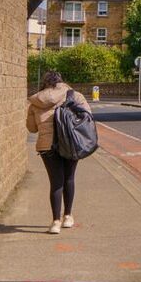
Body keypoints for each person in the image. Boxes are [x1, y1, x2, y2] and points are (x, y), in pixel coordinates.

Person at [25, 71, 93, 234]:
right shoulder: (75, 95)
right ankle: (68, 217)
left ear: (45, 83)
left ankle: (55, 222)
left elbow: (31, 128)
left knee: (56, 182)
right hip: (70, 142)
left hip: (46, 146)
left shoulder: (36, 101)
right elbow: (88, 117)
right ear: (61, 81)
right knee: (69, 178)